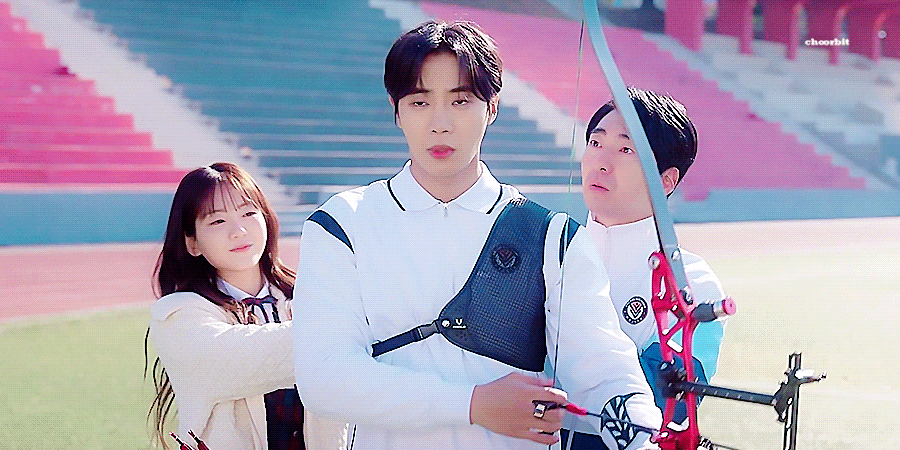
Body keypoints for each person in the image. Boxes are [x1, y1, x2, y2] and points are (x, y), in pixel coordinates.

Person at [292, 21, 661, 450]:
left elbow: (603, 371)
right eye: (419, 102)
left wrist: (637, 421)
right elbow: (325, 377)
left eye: (461, 100)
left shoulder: (554, 237)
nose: (440, 124)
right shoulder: (342, 225)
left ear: (492, 107)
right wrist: (473, 405)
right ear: (396, 109)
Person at [564, 87, 728, 448]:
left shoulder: (691, 282)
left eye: (626, 150)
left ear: (665, 181)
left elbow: (668, 403)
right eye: (595, 142)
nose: (601, 161)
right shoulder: (547, 251)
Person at [147, 162, 347, 449]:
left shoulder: (311, 294)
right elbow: (242, 357)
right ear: (192, 243)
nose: (238, 230)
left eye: (249, 213)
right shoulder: (177, 316)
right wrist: (348, 329)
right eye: (217, 221)